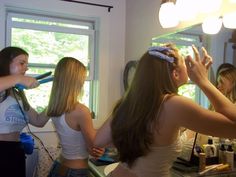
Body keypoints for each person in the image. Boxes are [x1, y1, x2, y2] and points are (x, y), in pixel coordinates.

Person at [94, 44, 236, 177]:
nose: (188, 65)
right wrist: (203, 80)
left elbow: (99, 140)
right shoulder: (175, 104)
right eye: (183, 61)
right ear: (175, 74)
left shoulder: (131, 102)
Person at [46, 57, 104, 177]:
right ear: (75, 81)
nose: (83, 81)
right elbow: (94, 144)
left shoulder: (54, 107)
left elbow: (37, 121)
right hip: (76, 171)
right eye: (82, 78)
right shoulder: (81, 111)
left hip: (59, 167)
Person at [0, 46, 50, 177]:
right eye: (22, 63)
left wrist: (55, 103)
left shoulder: (17, 94)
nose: (26, 68)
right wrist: (18, 79)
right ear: (5, 63)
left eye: (26, 64)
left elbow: (39, 121)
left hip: (16, 150)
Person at [185, 46, 236, 122]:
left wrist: (202, 80)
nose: (218, 86)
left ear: (233, 83)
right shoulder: (214, 104)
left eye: (221, 82)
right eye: (218, 82)